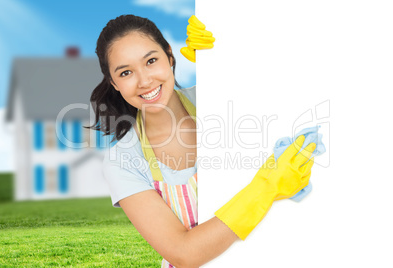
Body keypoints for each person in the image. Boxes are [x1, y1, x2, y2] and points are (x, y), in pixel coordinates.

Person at [88, 14, 317, 268]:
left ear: (170, 56)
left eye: (151, 61)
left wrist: (223, 55)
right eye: (126, 72)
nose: (144, 81)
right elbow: (183, 253)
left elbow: (283, 80)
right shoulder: (122, 161)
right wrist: (266, 188)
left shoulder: (221, 97)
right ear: (114, 83)